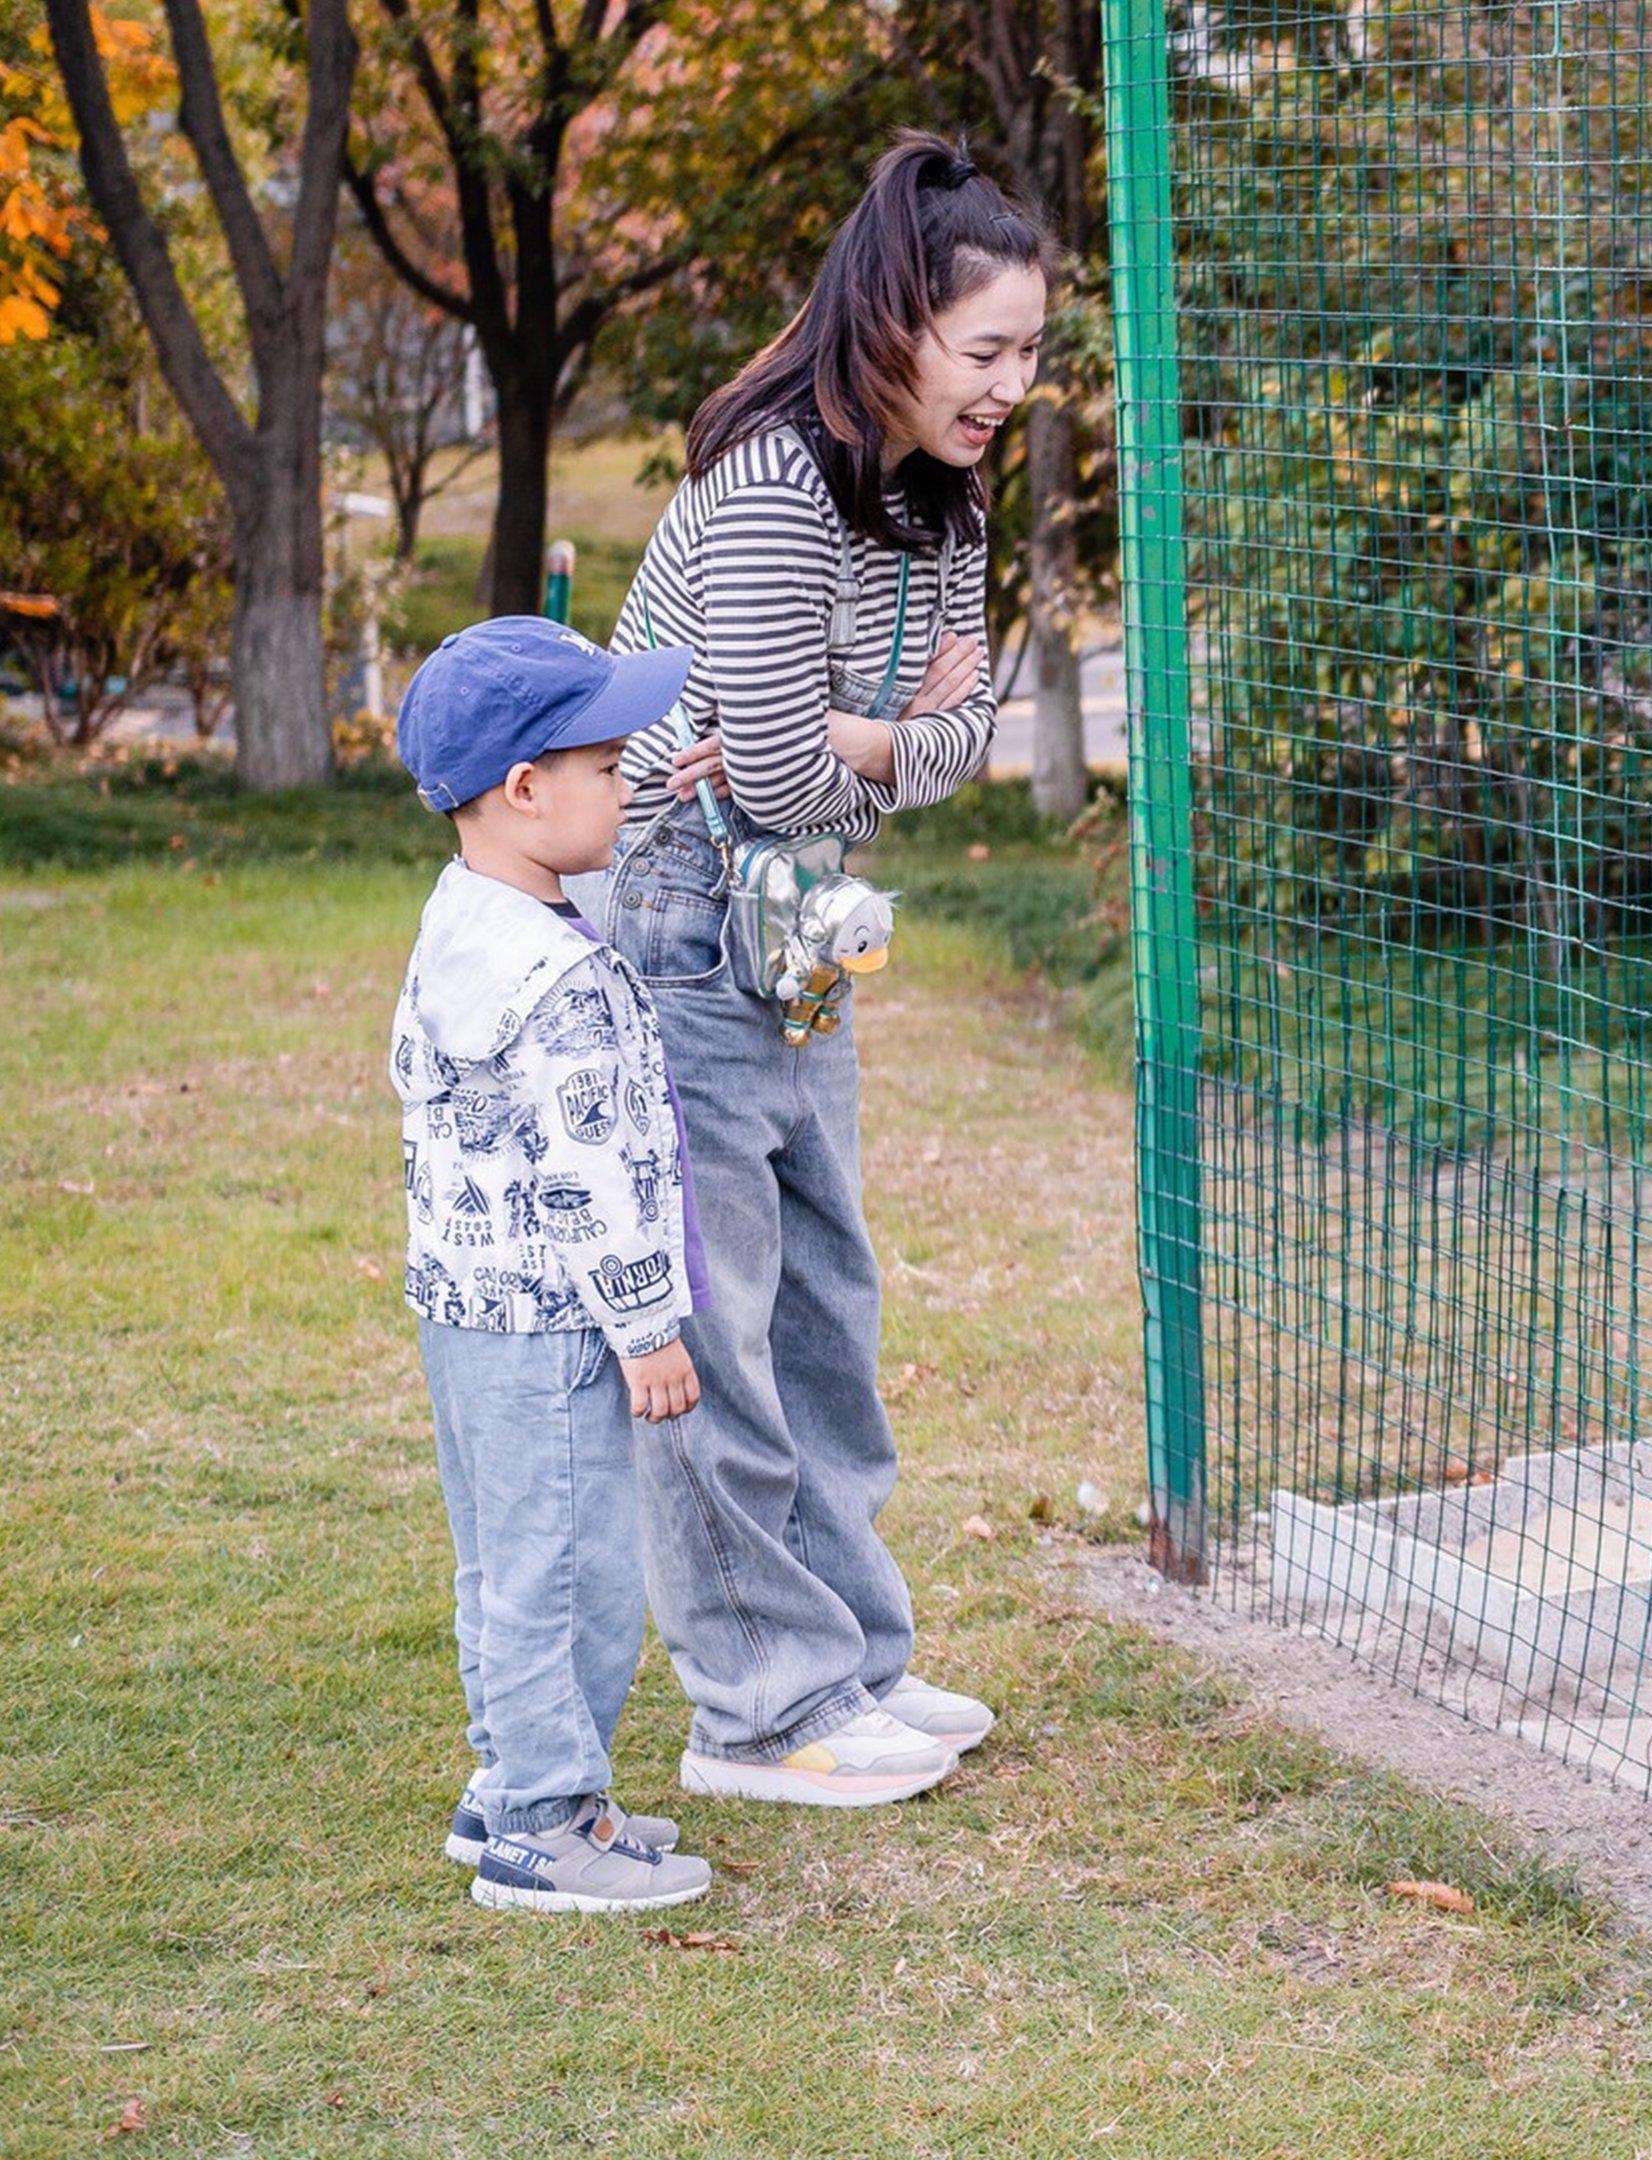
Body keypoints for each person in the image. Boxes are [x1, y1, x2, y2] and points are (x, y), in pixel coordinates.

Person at [594, 132, 1046, 1806]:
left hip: (801, 925)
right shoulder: (778, 484)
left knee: (830, 1314)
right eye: (985, 351)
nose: (1010, 386)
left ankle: (856, 1654)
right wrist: (886, 726)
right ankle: (759, 1710)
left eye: (1028, 356)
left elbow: (959, 740)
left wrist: (883, 734)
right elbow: (786, 777)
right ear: (896, 328)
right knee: (721, 1324)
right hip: (684, 909)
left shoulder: (943, 496)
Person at [391, 617, 717, 1914]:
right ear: (524, 791)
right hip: (557, 1322)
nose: (630, 783)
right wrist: (648, 1328)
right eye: (608, 764)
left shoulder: (466, 923)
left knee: (504, 1558)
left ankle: (511, 1783)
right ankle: (543, 1818)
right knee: (572, 1567)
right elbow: (593, 1171)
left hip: (468, 1309)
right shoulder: (560, 977)